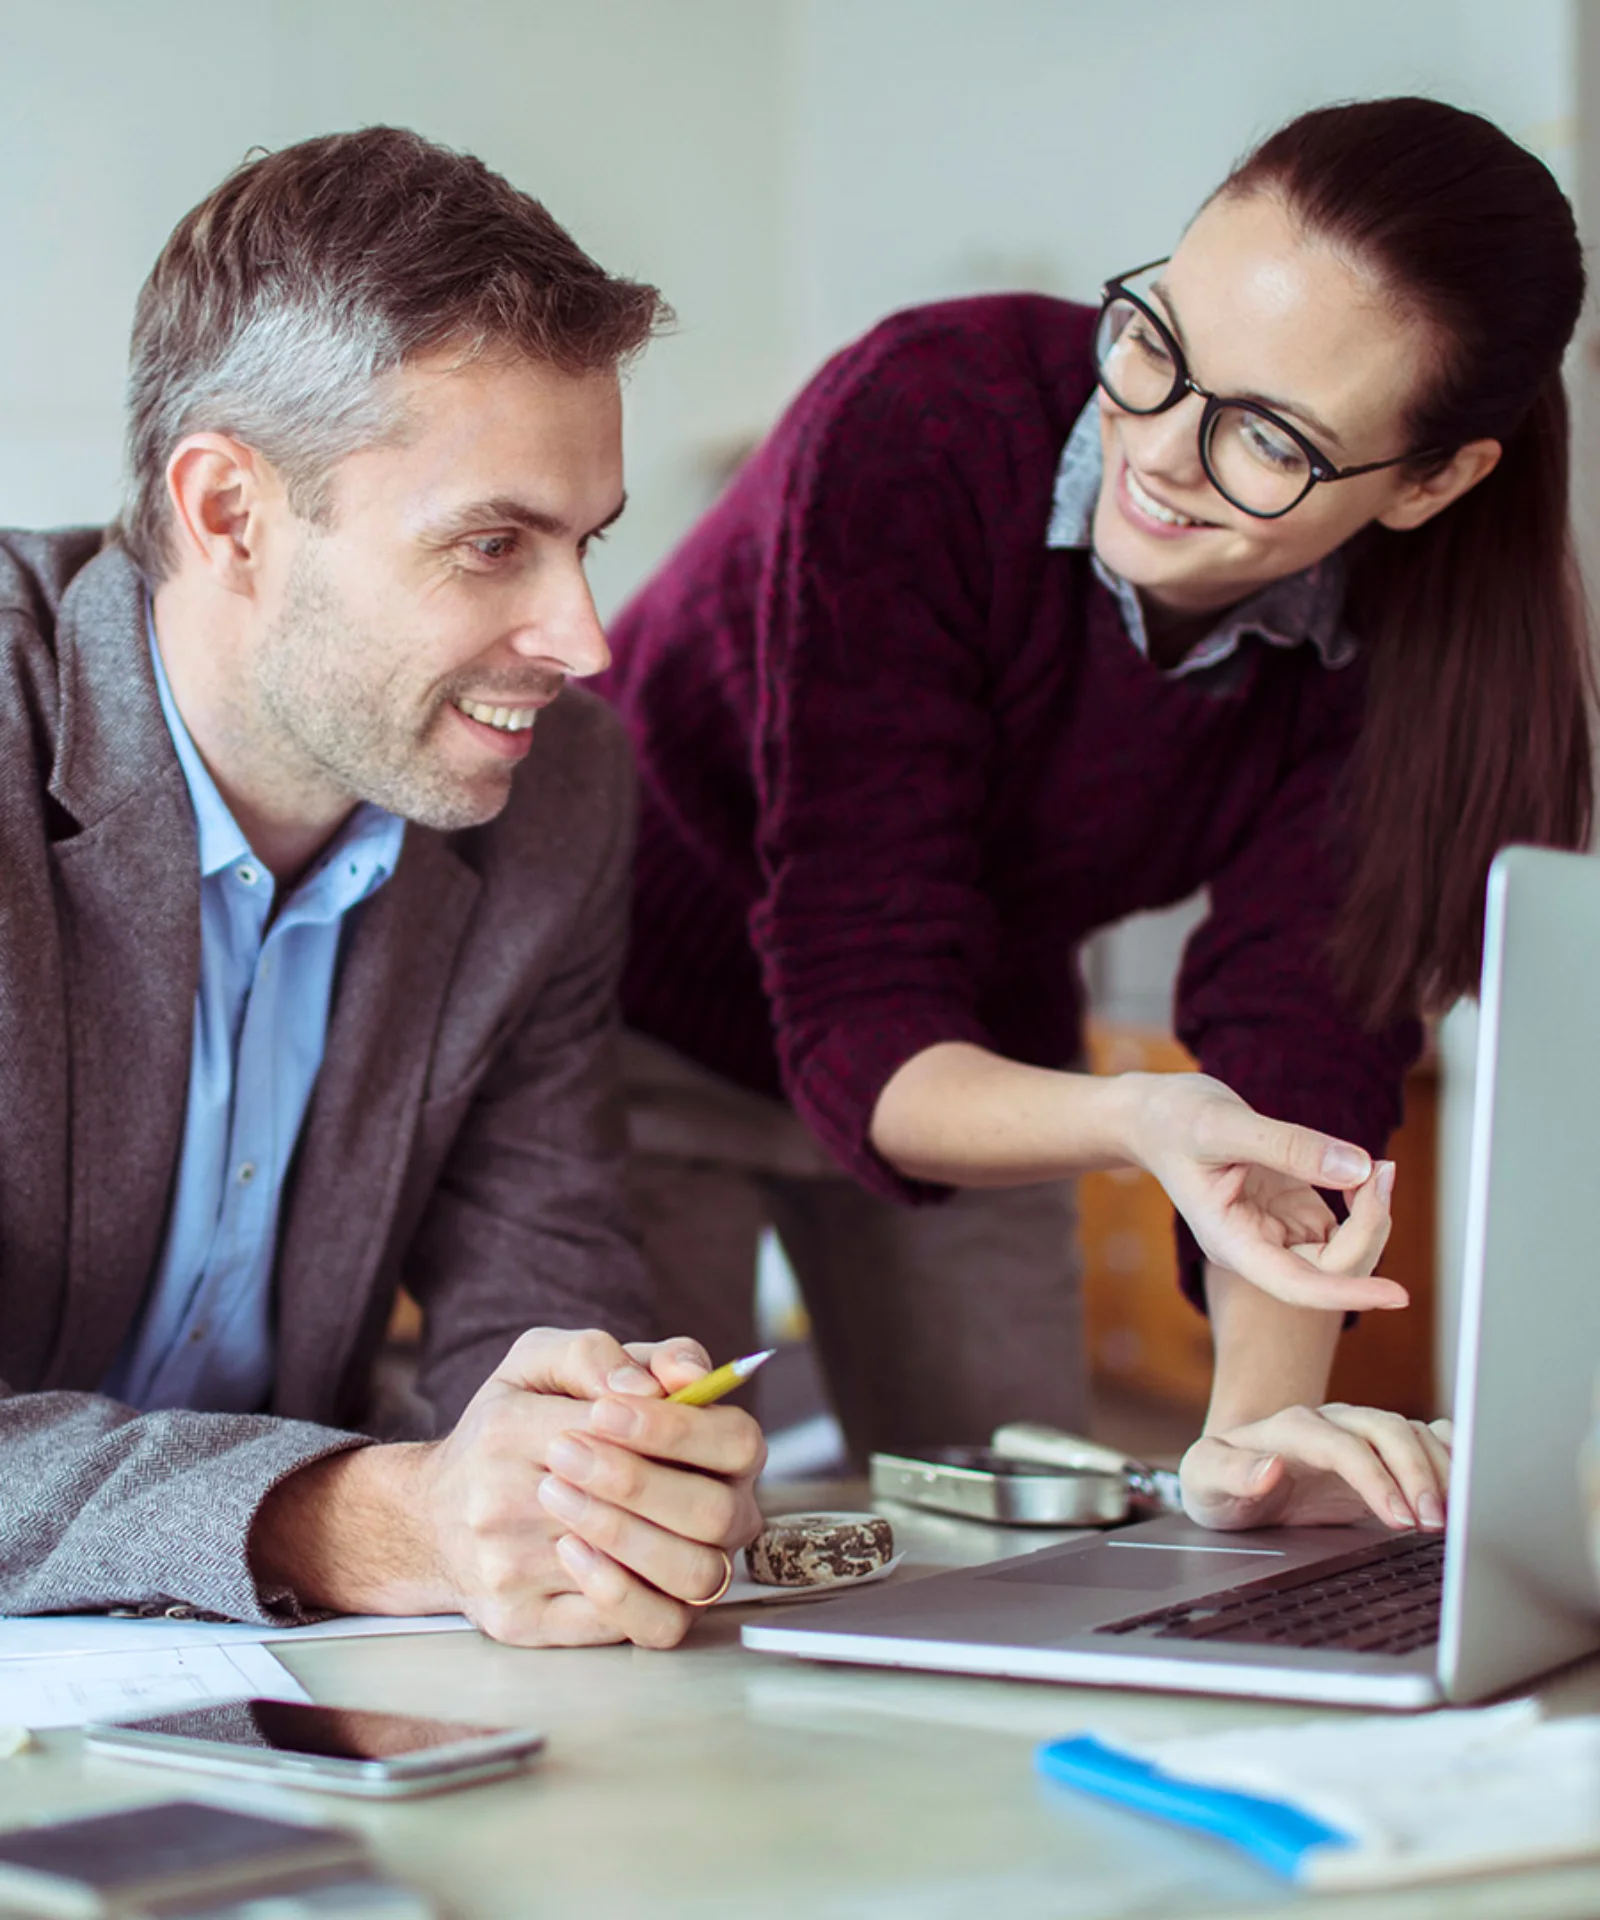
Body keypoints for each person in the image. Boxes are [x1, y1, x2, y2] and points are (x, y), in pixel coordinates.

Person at [599, 97, 1592, 1532]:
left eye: (1272, 437)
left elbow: (1303, 1056)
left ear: (1434, 480)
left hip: (980, 1050)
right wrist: (1139, 1119)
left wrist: (1257, 1437)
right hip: (639, 1009)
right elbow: (857, 1003)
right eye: (1159, 343)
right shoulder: (928, 415)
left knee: (1024, 1539)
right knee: (658, 1531)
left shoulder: (1417, 666)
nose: (1165, 448)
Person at [0, 127, 764, 1651]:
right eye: (493, 545)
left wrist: (602, 1473)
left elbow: (541, 1291)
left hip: (285, 1685)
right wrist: (369, 1517)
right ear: (230, 514)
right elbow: (403, 1513)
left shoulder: (559, 796)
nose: (586, 638)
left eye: (585, 544)